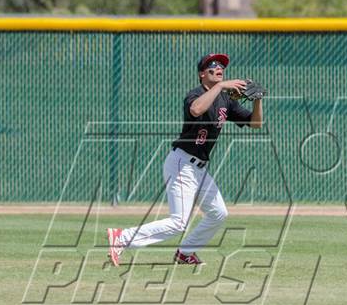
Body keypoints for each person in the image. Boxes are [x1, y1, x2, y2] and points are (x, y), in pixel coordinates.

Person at [107, 52, 263, 266]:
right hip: (182, 164)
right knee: (178, 222)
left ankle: (185, 252)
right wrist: (221, 86)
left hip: (199, 169)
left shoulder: (226, 99)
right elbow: (197, 109)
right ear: (201, 74)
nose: (219, 68)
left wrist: (258, 101)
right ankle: (121, 238)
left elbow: (256, 124)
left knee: (218, 213)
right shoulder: (195, 94)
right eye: (212, 66)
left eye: (221, 66)